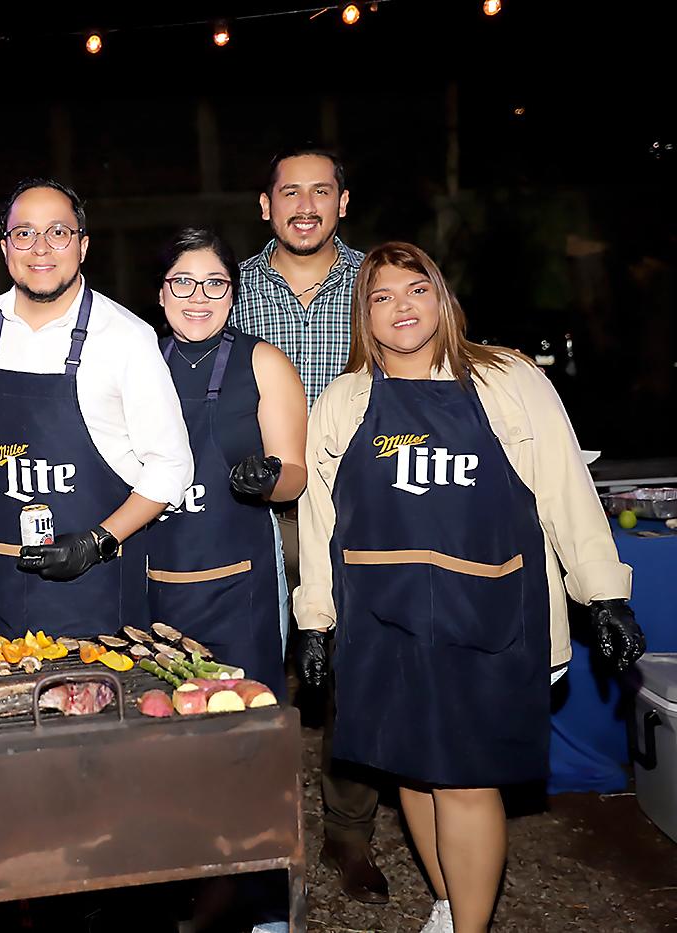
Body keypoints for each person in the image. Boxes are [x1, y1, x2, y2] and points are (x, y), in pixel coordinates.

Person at [294, 242, 645, 933]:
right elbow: (319, 523)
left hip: (490, 617)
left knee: (462, 777)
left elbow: (565, 489)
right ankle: (453, 905)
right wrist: (314, 618)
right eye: (381, 296)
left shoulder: (507, 377)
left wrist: (602, 591)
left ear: (442, 298)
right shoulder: (343, 400)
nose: (401, 307)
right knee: (413, 774)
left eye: (415, 289)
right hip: (383, 620)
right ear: (364, 315)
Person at [229, 145, 385, 903]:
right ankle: (252, 833)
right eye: (289, 191)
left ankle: (348, 836)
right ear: (265, 204)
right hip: (255, 508)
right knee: (259, 672)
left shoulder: (376, 283)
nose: (304, 205)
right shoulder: (228, 287)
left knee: (354, 672)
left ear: (343, 202)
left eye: (321, 191)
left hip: (359, 507)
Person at [0, 177, 192, 637]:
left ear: (82, 245)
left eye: (58, 232)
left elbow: (170, 467)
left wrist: (97, 542)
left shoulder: (126, 336)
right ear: (5, 247)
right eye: (25, 233)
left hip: (96, 589)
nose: (41, 247)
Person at [146, 228, 307, 695]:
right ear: (161, 292)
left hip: (242, 587)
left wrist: (268, 479)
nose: (198, 297)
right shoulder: (139, 363)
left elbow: (293, 474)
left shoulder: (264, 363)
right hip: (154, 582)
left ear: (232, 293)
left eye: (215, 283)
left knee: (246, 726)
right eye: (182, 282)